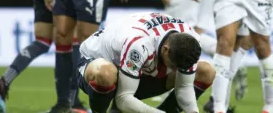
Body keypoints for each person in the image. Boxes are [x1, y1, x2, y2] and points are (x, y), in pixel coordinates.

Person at [76, 12, 215, 113]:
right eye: (173, 66)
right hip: (94, 60)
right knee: (106, 73)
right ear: (166, 50)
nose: (175, 70)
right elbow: (123, 98)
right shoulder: (140, 44)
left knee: (206, 71)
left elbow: (184, 86)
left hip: (134, 69)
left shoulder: (191, 41)